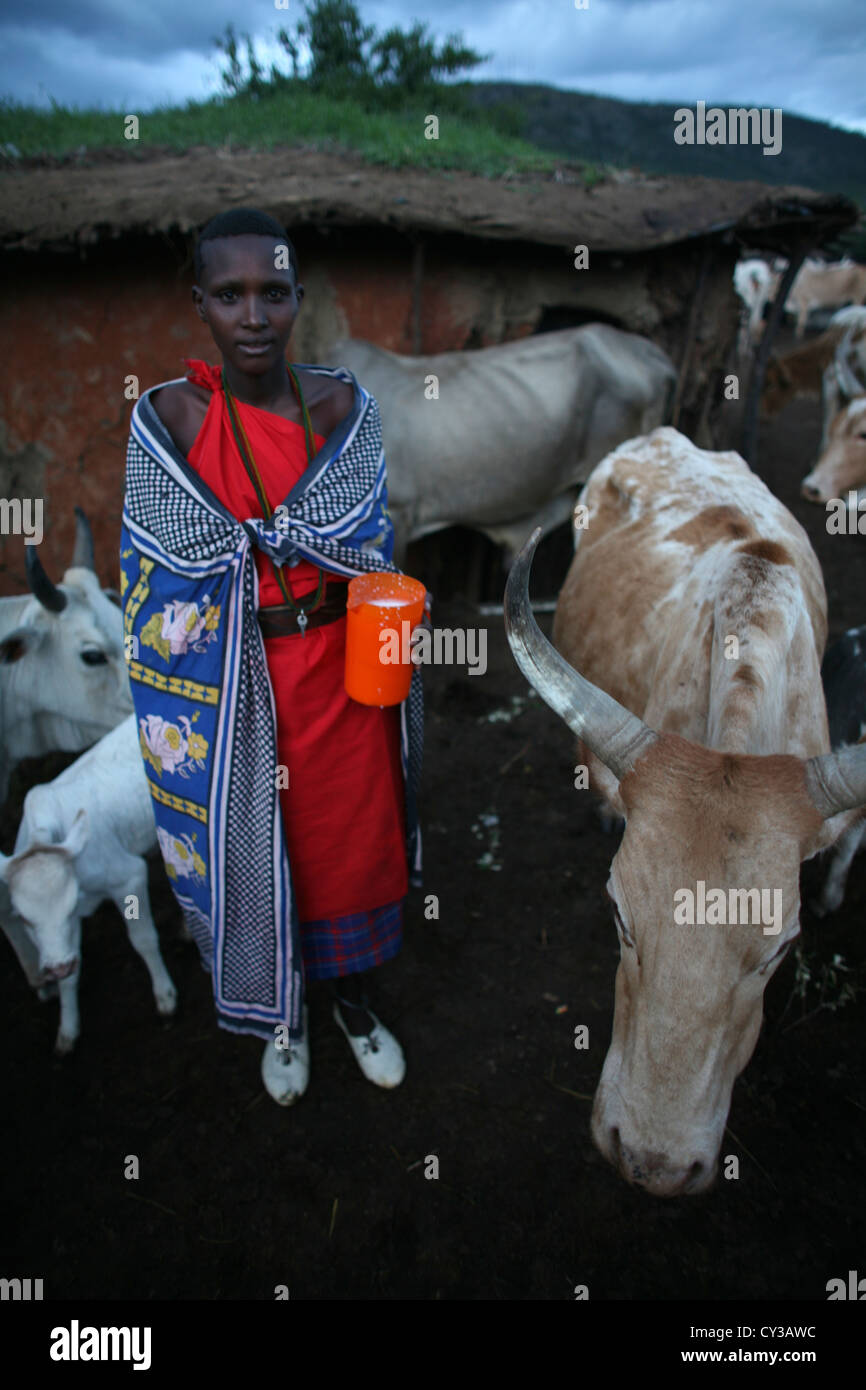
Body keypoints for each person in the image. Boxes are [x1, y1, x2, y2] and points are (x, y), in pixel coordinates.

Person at [119, 208, 423, 1106]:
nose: (254, 315)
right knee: (257, 846)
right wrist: (255, 551)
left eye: (274, 293)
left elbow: (370, 540)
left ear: (299, 300)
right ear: (201, 305)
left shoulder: (340, 410)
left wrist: (369, 585)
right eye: (230, 294)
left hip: (339, 679)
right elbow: (154, 565)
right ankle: (280, 1018)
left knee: (346, 845)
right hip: (228, 691)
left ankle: (353, 1005)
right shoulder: (167, 419)